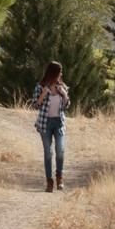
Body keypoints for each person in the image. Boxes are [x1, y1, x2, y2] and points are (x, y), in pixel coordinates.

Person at [32, 61, 69, 192]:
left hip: (59, 123)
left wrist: (64, 95)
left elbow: (66, 106)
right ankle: (49, 181)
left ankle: (59, 176)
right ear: (54, 73)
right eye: (60, 72)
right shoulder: (40, 87)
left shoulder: (62, 87)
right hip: (45, 124)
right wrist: (43, 94)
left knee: (60, 150)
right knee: (48, 153)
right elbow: (35, 105)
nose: (61, 74)